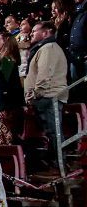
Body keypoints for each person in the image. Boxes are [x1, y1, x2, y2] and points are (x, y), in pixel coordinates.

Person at [24, 21, 68, 168]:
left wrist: (36, 94)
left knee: (53, 131)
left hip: (49, 96)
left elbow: (44, 74)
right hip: (45, 96)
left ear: (46, 32)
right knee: (50, 132)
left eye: (34, 31)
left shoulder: (48, 48)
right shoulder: (43, 48)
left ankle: (60, 163)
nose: (31, 33)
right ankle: (55, 161)